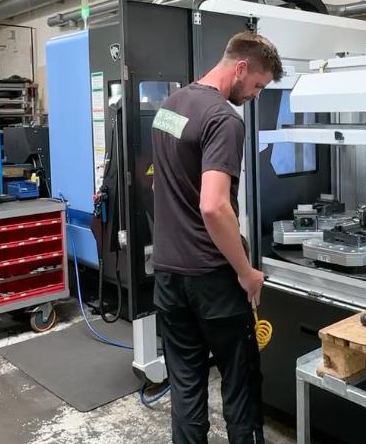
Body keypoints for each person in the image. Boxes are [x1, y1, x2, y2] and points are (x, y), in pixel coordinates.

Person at [151, 31, 283, 444]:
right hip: (213, 278)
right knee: (240, 382)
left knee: (186, 383)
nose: (255, 95)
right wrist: (246, 272)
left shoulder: (168, 107)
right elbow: (213, 205)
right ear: (241, 68)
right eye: (257, 85)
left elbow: (161, 183)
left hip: (168, 275)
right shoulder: (224, 119)